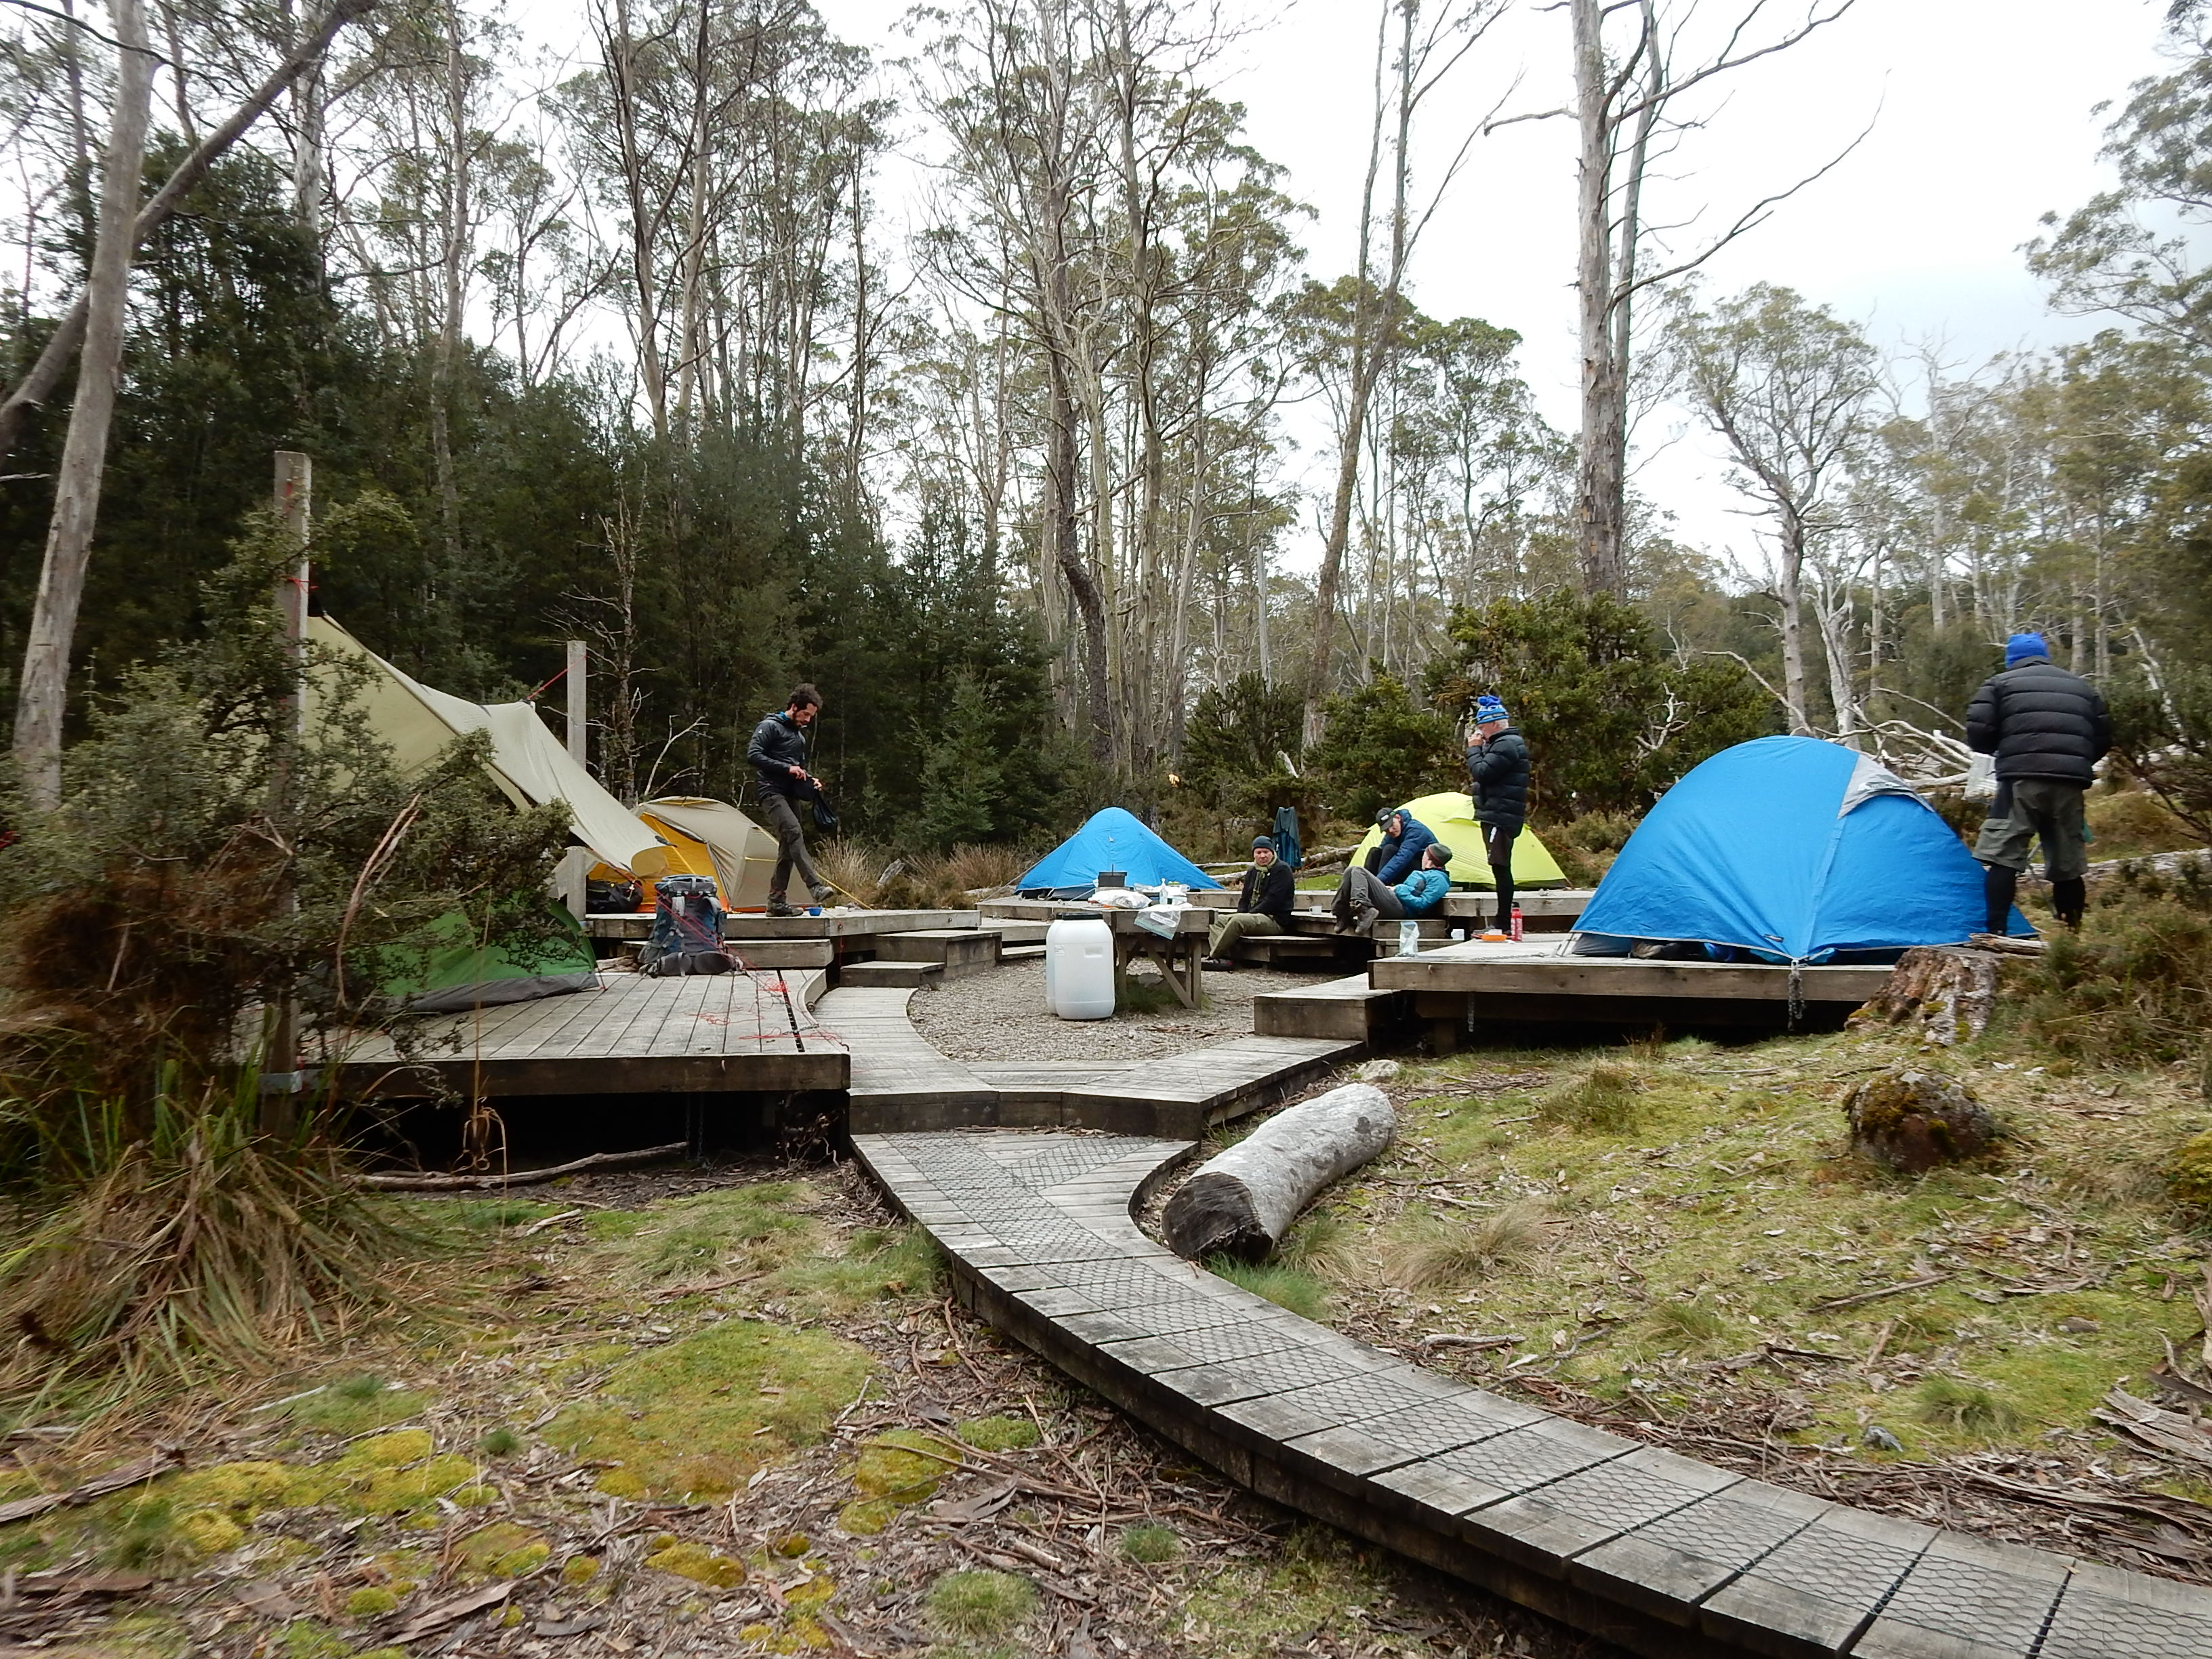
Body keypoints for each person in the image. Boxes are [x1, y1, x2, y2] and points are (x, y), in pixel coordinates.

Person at [1965, 632, 2110, 935]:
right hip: (2069, 783)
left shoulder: (1999, 684)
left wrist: (2002, 752)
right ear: (2045, 656)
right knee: (2068, 866)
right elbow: (2103, 736)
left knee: (2003, 856)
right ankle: (2070, 938)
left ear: (2011, 659)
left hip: (2020, 781)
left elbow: (1978, 730)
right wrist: (2075, 763)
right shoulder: (2082, 687)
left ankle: (1996, 934)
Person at [747, 683, 835, 917]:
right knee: (794, 832)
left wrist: (812, 780)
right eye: (805, 714)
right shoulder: (769, 726)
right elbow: (753, 755)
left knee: (788, 847)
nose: (807, 720)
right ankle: (815, 887)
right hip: (770, 792)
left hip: (790, 794)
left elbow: (800, 767)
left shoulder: (799, 737)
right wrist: (787, 768)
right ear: (794, 707)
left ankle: (776, 902)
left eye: (811, 717)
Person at [1465, 694, 1531, 936]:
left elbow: (1482, 772)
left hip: (1500, 815)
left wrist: (1474, 749)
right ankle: (1502, 920)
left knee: (1500, 867)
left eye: (1482, 726)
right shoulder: (1504, 744)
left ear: (1494, 724)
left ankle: (1502, 922)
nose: (1479, 731)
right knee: (1499, 867)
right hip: (1498, 812)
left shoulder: (1506, 745)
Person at [1202, 835, 1297, 970]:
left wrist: (1247, 915)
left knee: (1238, 921)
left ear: (1272, 853)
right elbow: (1245, 898)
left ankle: (1212, 957)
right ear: (1254, 854)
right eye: (1259, 852)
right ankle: (1225, 960)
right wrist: (1242, 913)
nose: (1263, 856)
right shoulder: (1253, 871)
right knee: (1214, 920)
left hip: (1274, 919)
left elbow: (1273, 900)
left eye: (1266, 852)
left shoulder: (1282, 870)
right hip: (1252, 916)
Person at [1330, 841, 1452, 935]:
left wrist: (1399, 889)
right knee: (1351, 870)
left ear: (1429, 859)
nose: (1422, 857)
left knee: (1358, 870)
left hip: (1402, 910)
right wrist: (1394, 890)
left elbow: (1422, 904)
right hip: (1396, 901)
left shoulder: (1439, 879)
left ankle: (1364, 910)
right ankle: (1342, 913)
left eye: (1425, 854)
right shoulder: (1424, 873)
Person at [1364, 806, 1435, 882]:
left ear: (1398, 818)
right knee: (1375, 852)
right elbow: (1381, 852)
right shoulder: (1392, 832)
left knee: (1389, 849)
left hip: (1426, 871)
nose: (1390, 830)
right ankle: (1365, 882)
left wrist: (1379, 881)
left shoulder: (1415, 830)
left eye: (1392, 825)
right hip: (1406, 866)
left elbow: (1402, 858)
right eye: (1386, 829)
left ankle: (1379, 885)